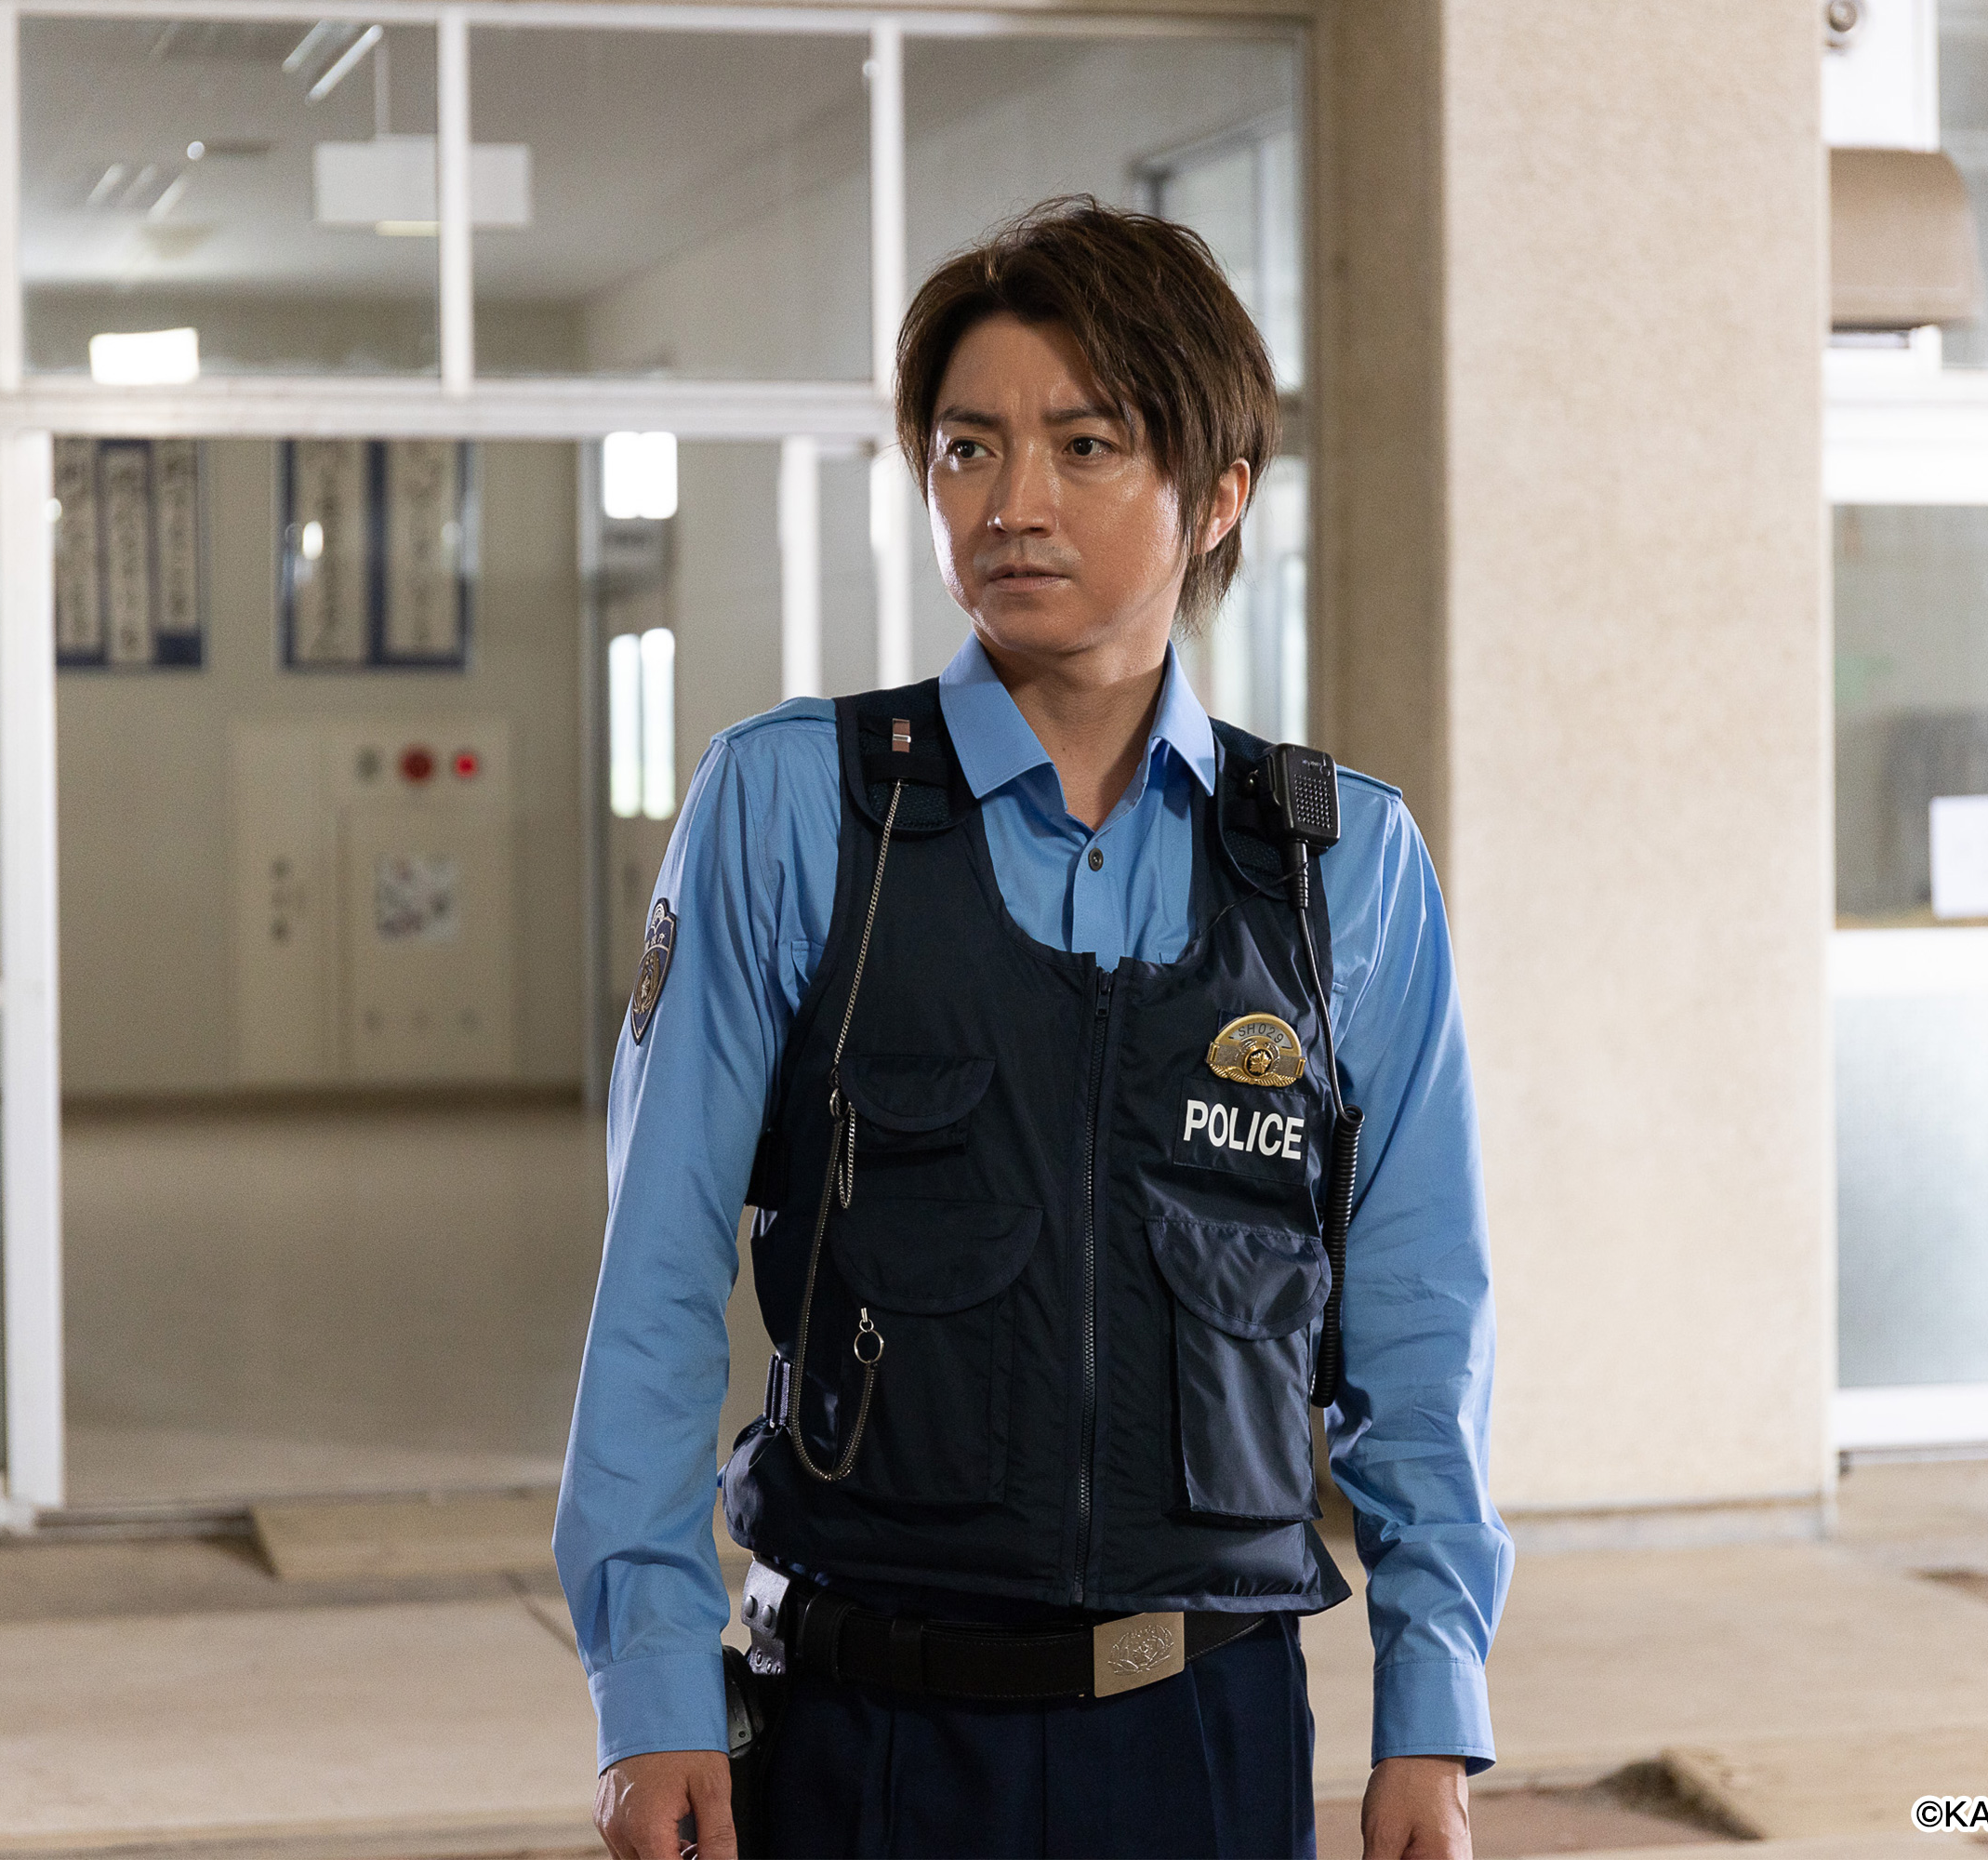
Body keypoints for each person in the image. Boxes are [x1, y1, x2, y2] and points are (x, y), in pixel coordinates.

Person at [554, 197, 1510, 1860]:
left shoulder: (1340, 865)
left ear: (1217, 494)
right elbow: (656, 1279)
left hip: (1204, 1728)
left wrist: (1431, 1700)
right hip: (867, 1730)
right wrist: (651, 1687)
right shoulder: (794, 808)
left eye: (1084, 445)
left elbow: (1419, 1319)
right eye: (966, 448)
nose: (1011, 504)